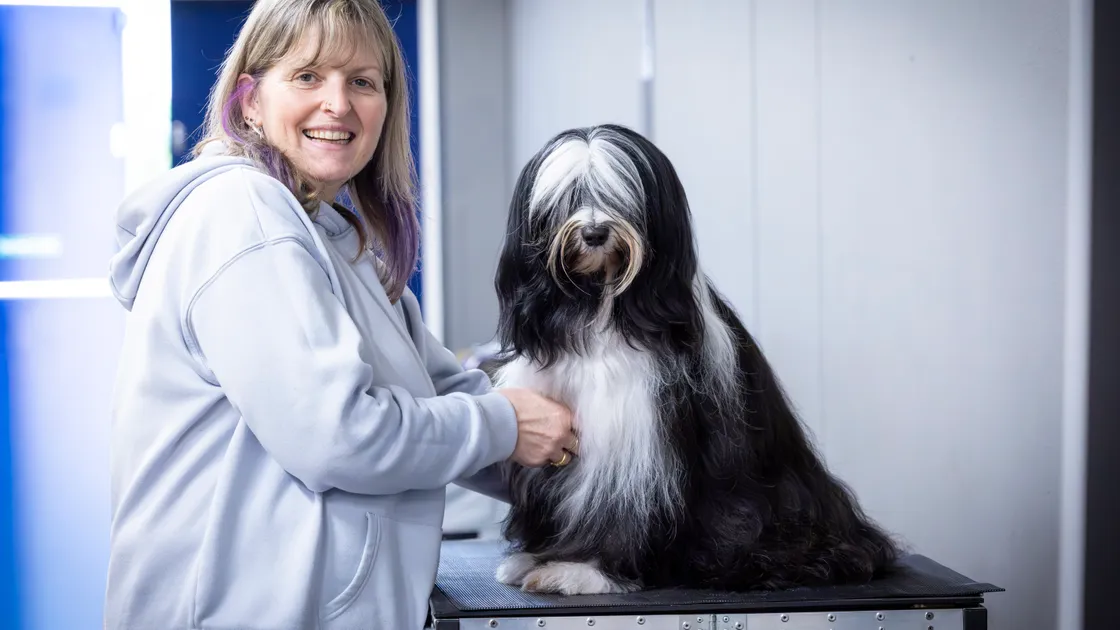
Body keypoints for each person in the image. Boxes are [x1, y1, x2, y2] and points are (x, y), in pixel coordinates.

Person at [103, 1, 577, 628]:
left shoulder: (337, 242)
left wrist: (606, 446)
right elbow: (338, 436)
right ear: (249, 100)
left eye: (362, 81)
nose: (338, 104)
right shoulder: (242, 215)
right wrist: (505, 424)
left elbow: (445, 394)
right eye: (308, 76)